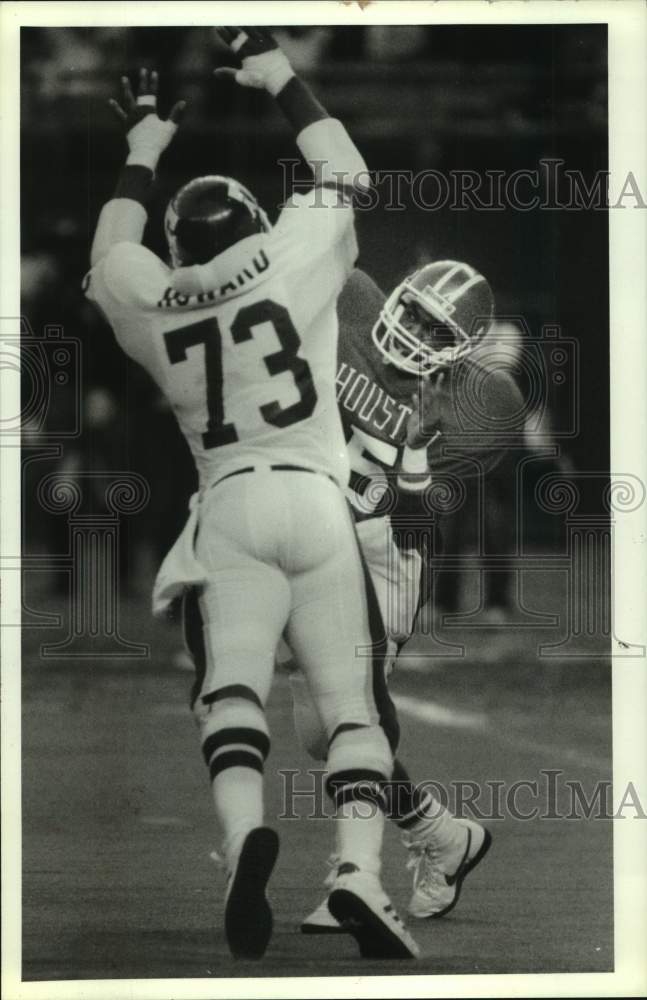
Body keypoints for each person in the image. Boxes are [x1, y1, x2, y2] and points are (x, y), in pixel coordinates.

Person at [83, 30, 418, 961]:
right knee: (351, 712)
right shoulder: (292, 252)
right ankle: (358, 875)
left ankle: (241, 844)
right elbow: (344, 173)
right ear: (255, 222)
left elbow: (111, 248)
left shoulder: (147, 294)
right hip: (316, 501)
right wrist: (278, 77)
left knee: (229, 693)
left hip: (227, 506)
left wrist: (143, 146)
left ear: (176, 245)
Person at [288, 263, 524, 931]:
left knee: (348, 717)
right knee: (319, 733)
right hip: (312, 533)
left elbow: (421, 522)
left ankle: (354, 874)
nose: (414, 331)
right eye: (413, 312)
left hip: (385, 553)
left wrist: (414, 460)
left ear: (463, 346)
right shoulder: (351, 303)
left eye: (435, 328)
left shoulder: (479, 403)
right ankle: (443, 835)